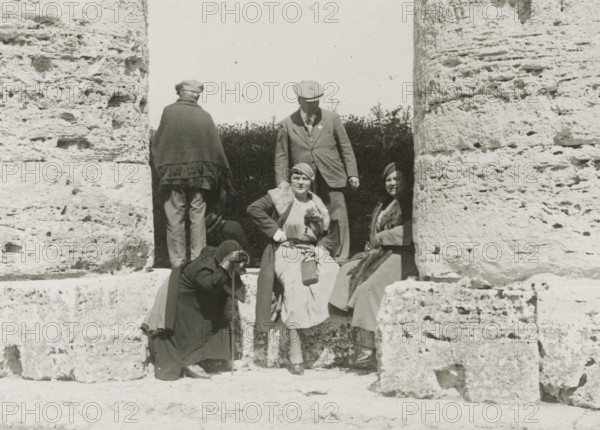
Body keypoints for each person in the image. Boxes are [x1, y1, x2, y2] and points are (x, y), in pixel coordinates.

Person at [247, 163, 339, 375]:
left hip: (311, 250)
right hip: (286, 249)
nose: (299, 181)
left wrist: (320, 249)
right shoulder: (282, 195)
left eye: (304, 178)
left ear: (311, 181)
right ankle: (295, 350)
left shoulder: (316, 202)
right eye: (295, 177)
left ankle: (316, 319)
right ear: (290, 179)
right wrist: (275, 232)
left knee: (333, 271)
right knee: (294, 284)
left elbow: (329, 233)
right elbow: (253, 209)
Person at [329, 162, 418, 370]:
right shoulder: (385, 203)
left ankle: (368, 346)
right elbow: (375, 233)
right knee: (346, 270)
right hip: (382, 251)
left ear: (406, 181)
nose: (392, 183)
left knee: (368, 287)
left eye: (397, 179)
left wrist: (382, 237)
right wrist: (374, 242)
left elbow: (411, 231)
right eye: (388, 179)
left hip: (403, 254)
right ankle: (346, 321)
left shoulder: (411, 202)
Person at [274, 81, 359, 264]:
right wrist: (282, 183)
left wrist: (352, 173)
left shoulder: (332, 118)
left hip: (333, 176)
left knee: (338, 215)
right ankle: (312, 254)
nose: (314, 104)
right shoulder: (287, 125)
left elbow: (346, 148)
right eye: (309, 101)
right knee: (309, 215)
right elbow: (281, 157)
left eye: (317, 100)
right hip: (304, 180)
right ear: (299, 100)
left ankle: (341, 256)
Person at [151, 79, 232, 268]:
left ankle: (177, 265)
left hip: (172, 175)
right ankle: (199, 263)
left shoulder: (169, 112)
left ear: (180, 92)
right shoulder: (205, 116)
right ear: (197, 95)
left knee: (174, 218)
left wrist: (161, 167)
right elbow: (215, 149)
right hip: (200, 177)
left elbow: (159, 143)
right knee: (198, 218)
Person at [141, 240, 249, 380]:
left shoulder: (217, 258)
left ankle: (210, 358)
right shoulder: (202, 266)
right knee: (193, 328)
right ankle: (190, 362)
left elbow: (239, 293)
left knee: (217, 319)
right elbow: (209, 284)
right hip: (182, 301)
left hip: (199, 298)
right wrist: (226, 265)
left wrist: (236, 267)